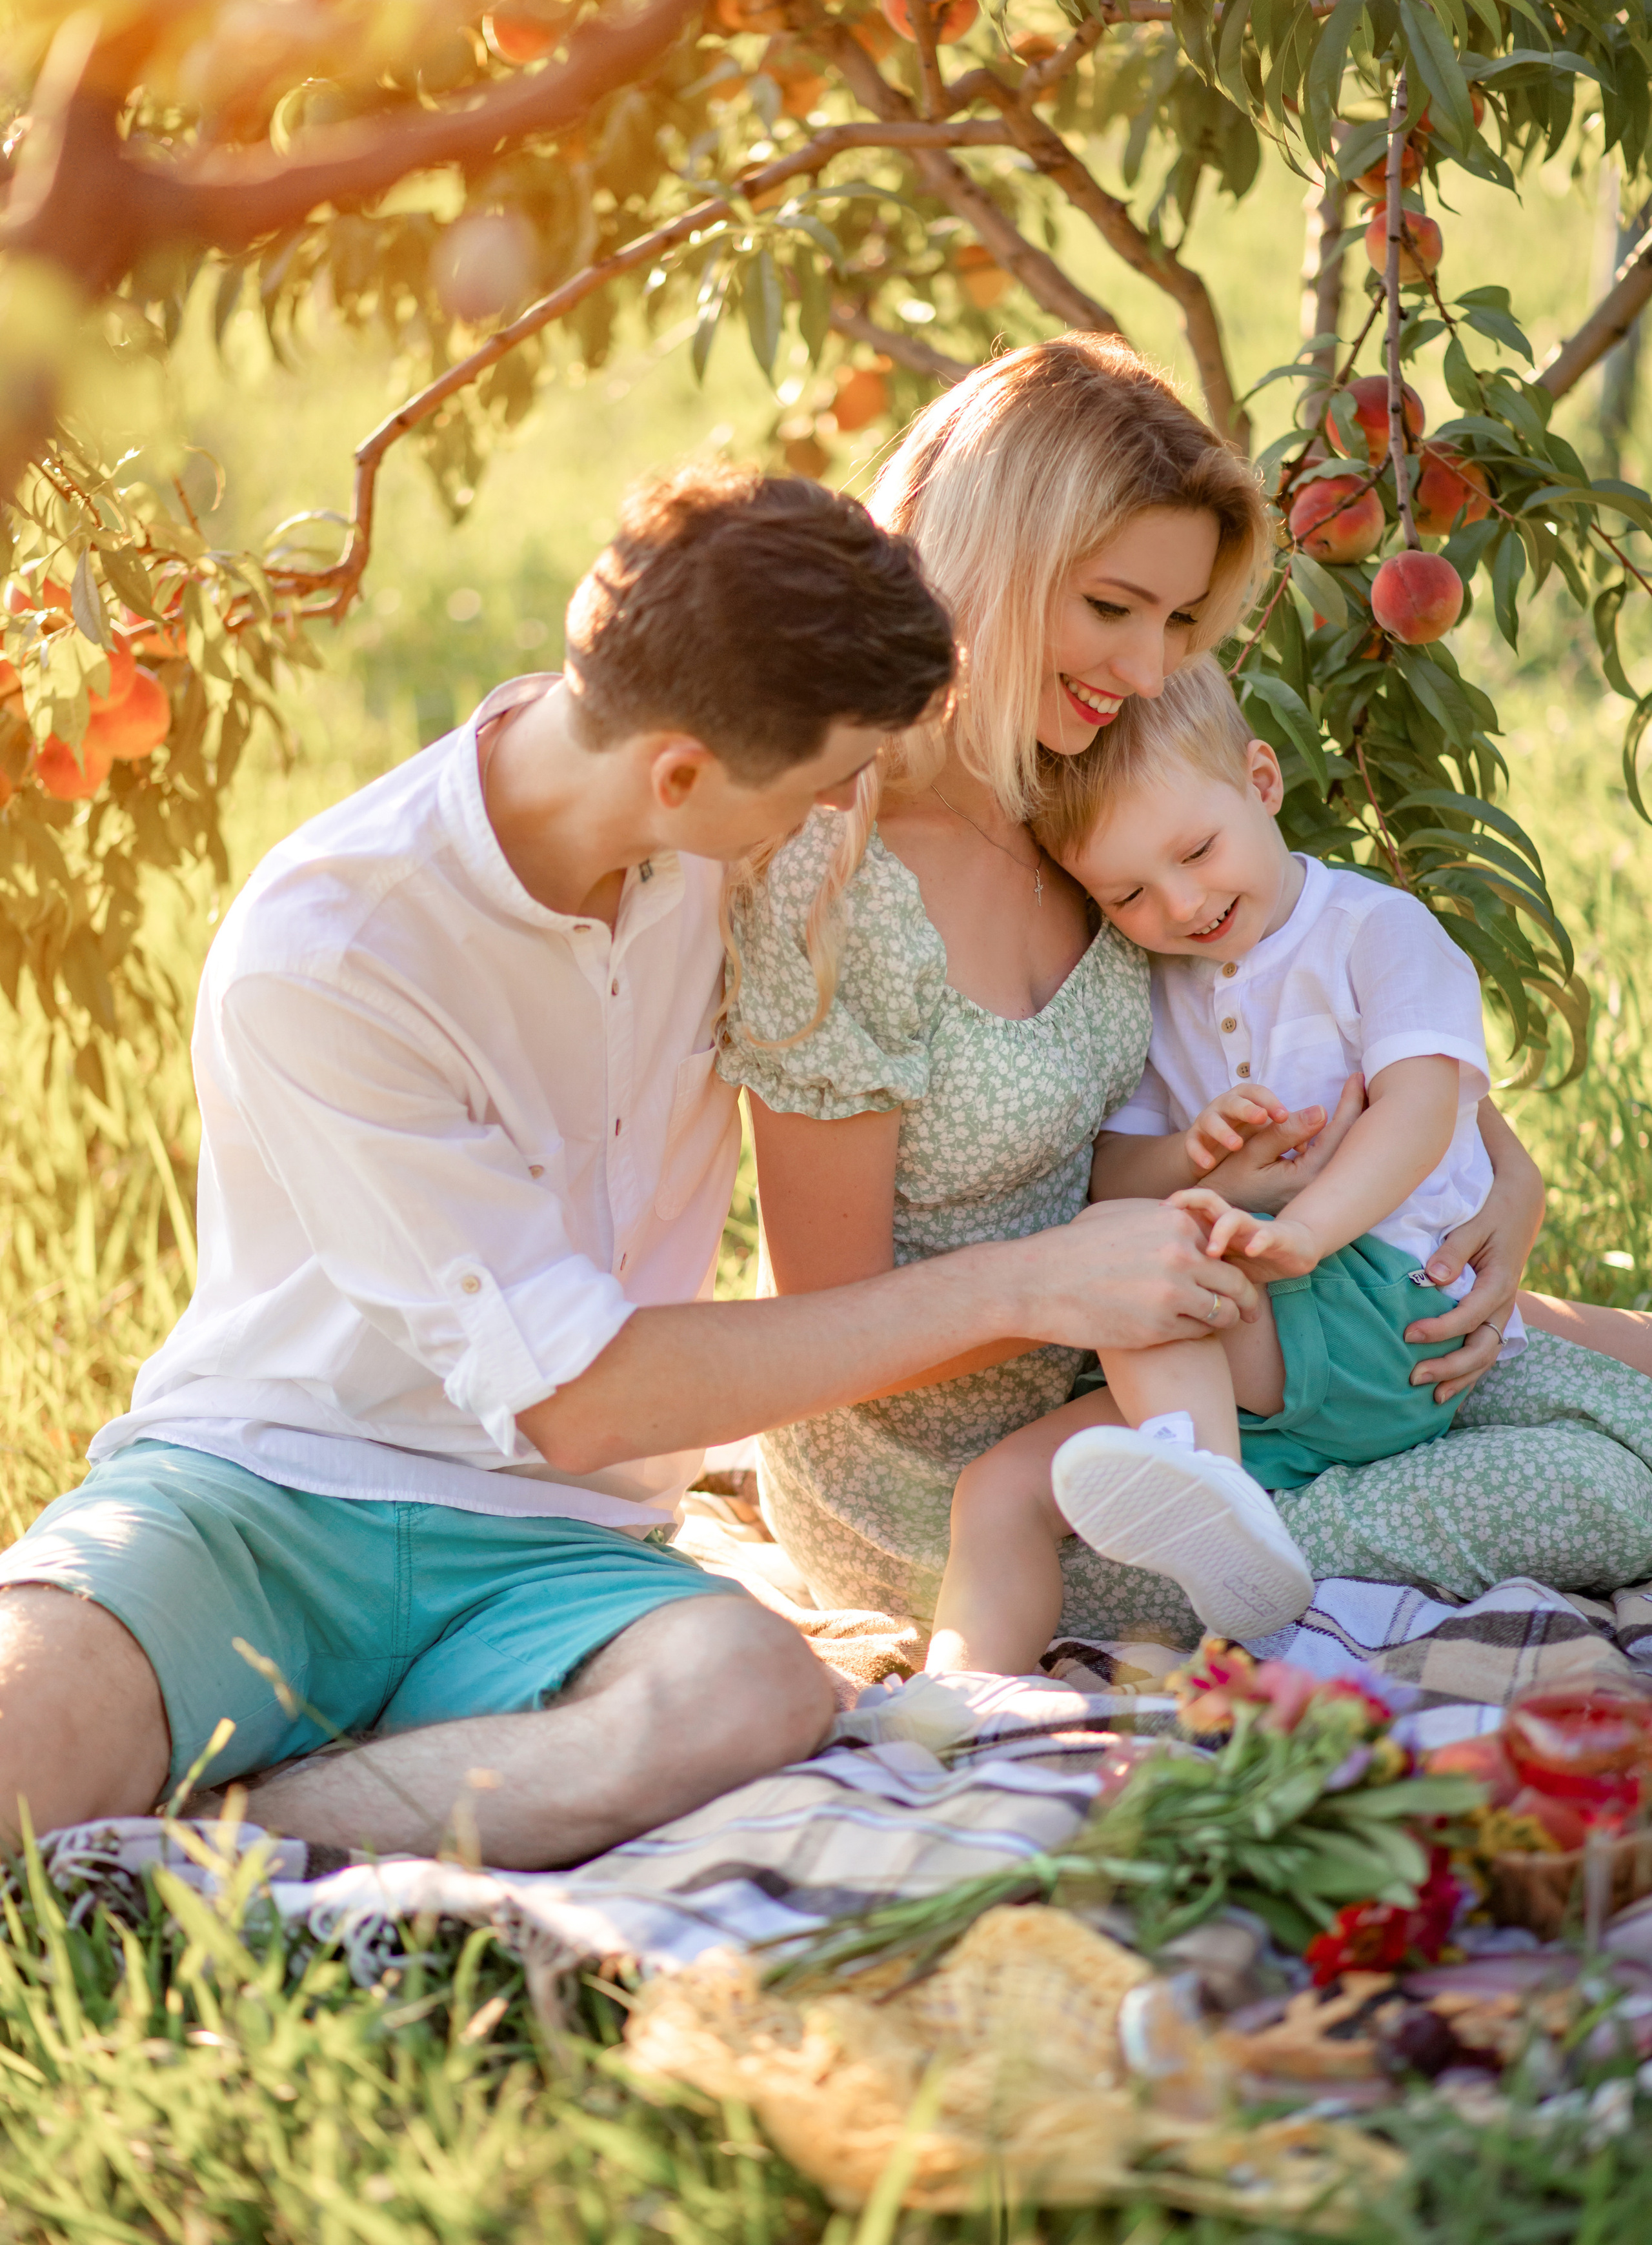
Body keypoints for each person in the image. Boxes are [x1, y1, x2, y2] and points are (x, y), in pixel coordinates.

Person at [0, 462, 1265, 1866]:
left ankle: (210, 1838)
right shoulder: (333, 955)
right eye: (831, 781)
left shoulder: (712, 831)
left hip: (550, 1548)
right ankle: (151, 1786)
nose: (856, 806)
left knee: (747, 1694)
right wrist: (1030, 1285)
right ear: (679, 775)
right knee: (22, 1737)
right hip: (264, 1499)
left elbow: (929, 653)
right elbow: (579, 1398)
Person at [723, 336, 1652, 1653]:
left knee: (1608, 1381)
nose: (1148, 671)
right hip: (984, 1485)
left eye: (1175, 621)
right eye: (1110, 608)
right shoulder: (840, 884)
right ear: (990, 563)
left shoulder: (1097, 803)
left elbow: (1319, 1008)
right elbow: (820, 1330)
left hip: (1209, 1342)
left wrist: (1507, 1181)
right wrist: (1067, 1289)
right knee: (1603, 1484)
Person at [928, 659, 1533, 1670]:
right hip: (1245, 1360)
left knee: (1119, 1261)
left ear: (1262, 782)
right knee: (997, 1490)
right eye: (1127, 894)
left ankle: (1201, 1488)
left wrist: (1300, 1233)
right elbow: (1118, 1173)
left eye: (1197, 851)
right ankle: (958, 1709)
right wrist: (1191, 1156)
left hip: (1389, 1309)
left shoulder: (1374, 932)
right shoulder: (1160, 985)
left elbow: (1421, 1114)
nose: (1181, 904)